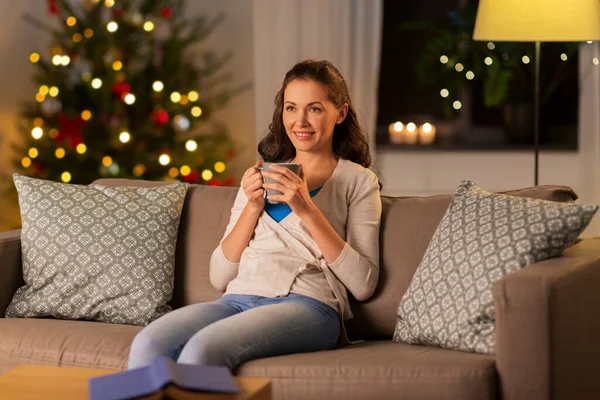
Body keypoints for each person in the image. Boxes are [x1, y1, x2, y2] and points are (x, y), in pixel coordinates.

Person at [127, 60, 382, 370]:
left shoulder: (357, 180)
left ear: (339, 114)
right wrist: (251, 206)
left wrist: (307, 209)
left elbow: (364, 284)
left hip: (309, 304)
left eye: (314, 109)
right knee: (149, 343)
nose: (300, 121)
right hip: (237, 299)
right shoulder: (260, 175)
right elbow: (219, 276)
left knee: (204, 349)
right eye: (291, 108)